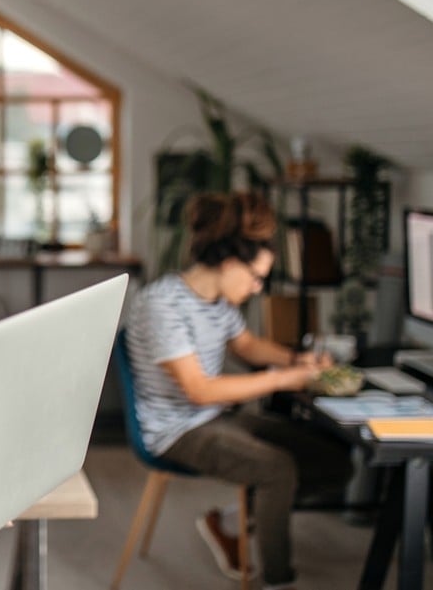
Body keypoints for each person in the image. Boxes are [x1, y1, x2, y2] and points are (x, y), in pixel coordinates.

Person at [125, 192, 352, 590]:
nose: (258, 288)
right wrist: (283, 379)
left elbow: (247, 347)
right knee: (276, 470)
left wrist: (298, 361)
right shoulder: (163, 305)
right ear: (230, 263)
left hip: (216, 418)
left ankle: (229, 521)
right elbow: (199, 390)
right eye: (256, 277)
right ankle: (278, 581)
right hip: (176, 432)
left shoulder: (218, 303)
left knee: (336, 463)